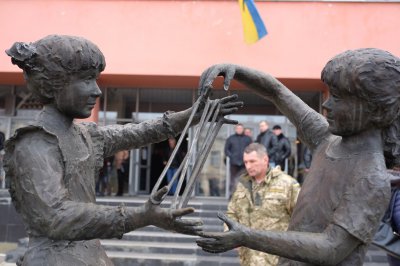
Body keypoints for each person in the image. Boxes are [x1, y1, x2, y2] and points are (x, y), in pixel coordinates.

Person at [3, 34, 242, 266]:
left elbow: (141, 132)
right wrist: (142, 216)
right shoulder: (34, 143)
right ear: (53, 84)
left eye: (96, 79)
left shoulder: (87, 135)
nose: (97, 90)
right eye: (86, 79)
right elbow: (56, 217)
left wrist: (193, 115)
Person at [196, 48, 399, 265]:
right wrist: (236, 71)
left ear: (376, 110)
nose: (326, 105)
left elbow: (331, 248)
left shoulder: (371, 177)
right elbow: (277, 92)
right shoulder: (326, 138)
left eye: (338, 98)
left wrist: (247, 236)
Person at [227, 143, 300, 265]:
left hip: (277, 260)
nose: (248, 166)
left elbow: (301, 219)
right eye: (245, 162)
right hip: (247, 259)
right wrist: (231, 235)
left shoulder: (288, 185)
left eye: (252, 161)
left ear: (265, 159)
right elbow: (231, 212)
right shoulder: (242, 185)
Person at [224, 124, 252, 194]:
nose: (239, 130)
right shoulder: (230, 138)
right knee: (233, 180)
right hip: (234, 163)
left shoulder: (248, 139)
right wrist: (231, 156)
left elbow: (251, 149)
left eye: (240, 128)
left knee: (245, 179)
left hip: (244, 163)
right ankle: (232, 195)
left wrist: (247, 158)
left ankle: (244, 195)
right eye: (238, 128)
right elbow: (226, 150)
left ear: (243, 129)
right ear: (235, 129)